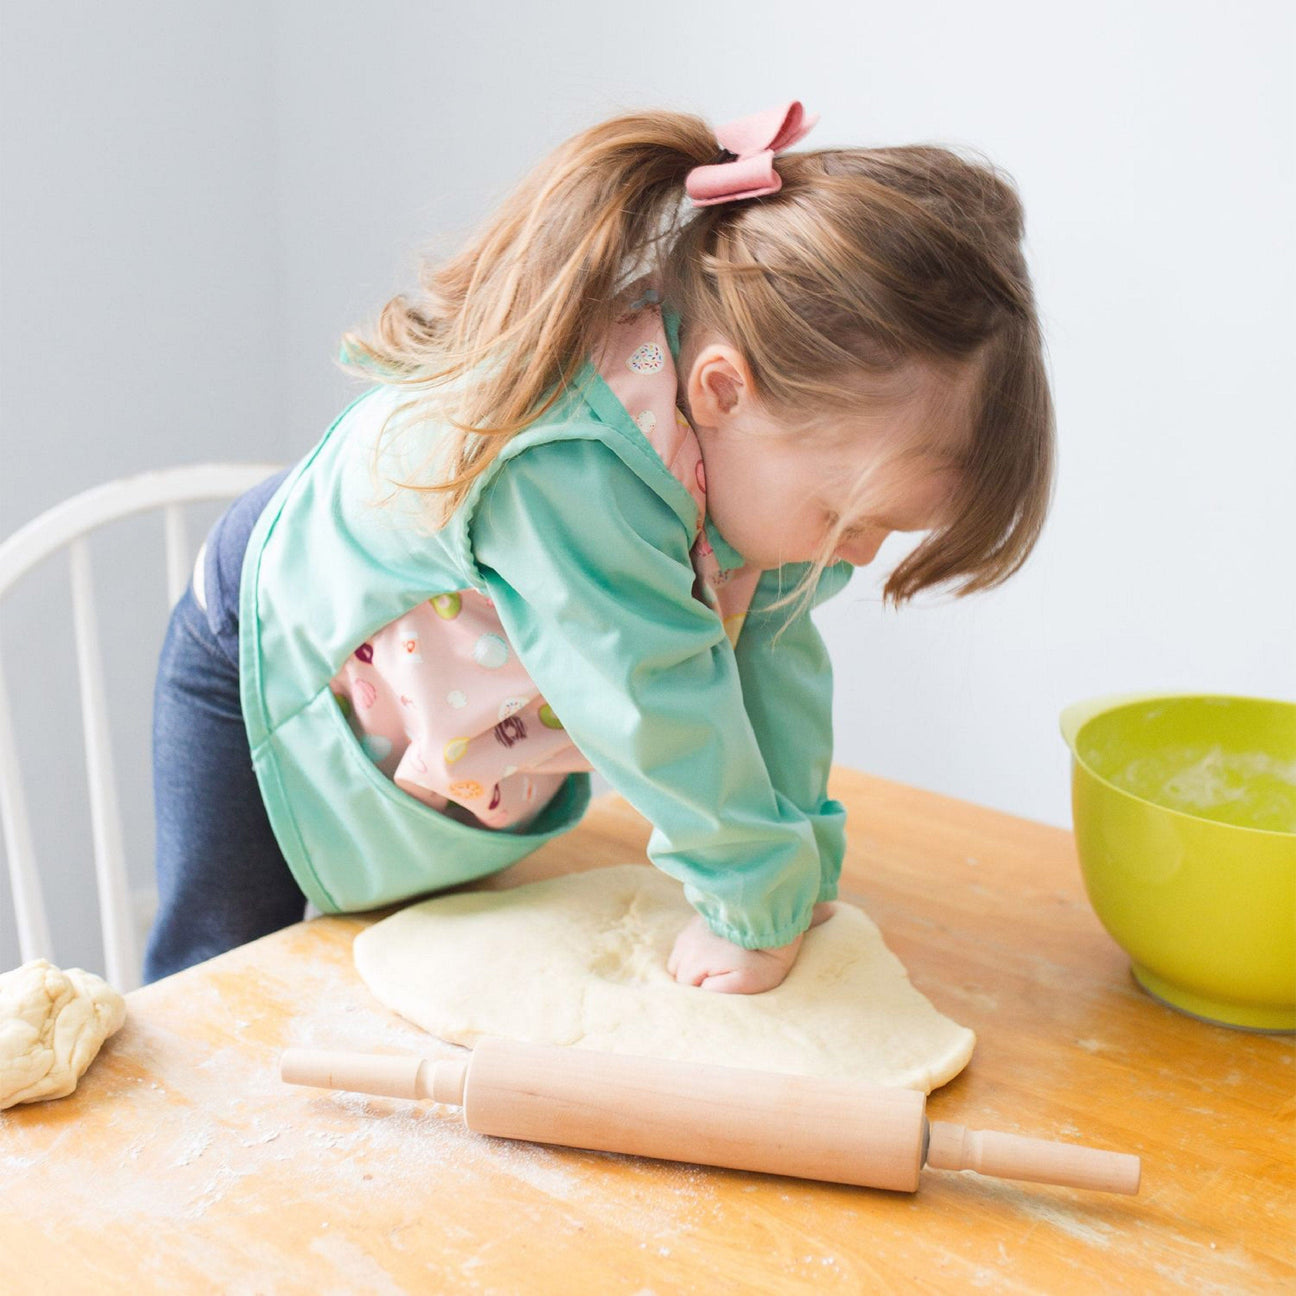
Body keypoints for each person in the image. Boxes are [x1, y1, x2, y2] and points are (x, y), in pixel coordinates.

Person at [142, 101, 1054, 993]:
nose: (856, 556)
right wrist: (751, 901)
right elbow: (653, 699)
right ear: (723, 391)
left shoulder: (750, 446)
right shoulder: (575, 469)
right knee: (219, 987)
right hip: (268, 654)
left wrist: (798, 864)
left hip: (430, 692)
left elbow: (775, 663)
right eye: (846, 519)